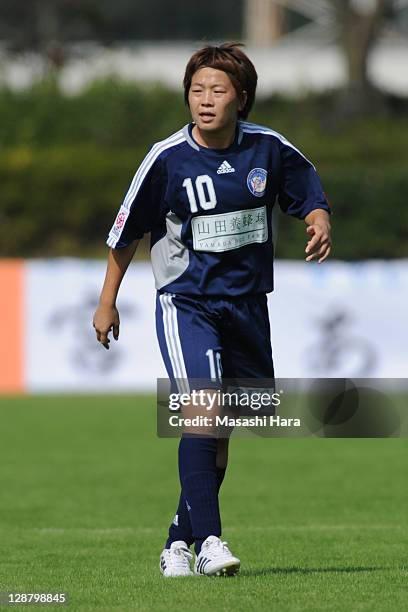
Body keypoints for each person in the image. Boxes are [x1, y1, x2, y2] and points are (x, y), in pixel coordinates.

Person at [93, 42, 331, 578]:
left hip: (247, 305)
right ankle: (211, 541)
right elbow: (125, 233)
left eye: (217, 90)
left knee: (223, 428)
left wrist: (318, 219)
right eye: (196, 90)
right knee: (203, 410)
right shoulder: (166, 158)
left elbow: (307, 191)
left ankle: (178, 540)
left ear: (240, 98)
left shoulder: (267, 149)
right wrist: (107, 301)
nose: (204, 100)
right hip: (187, 302)